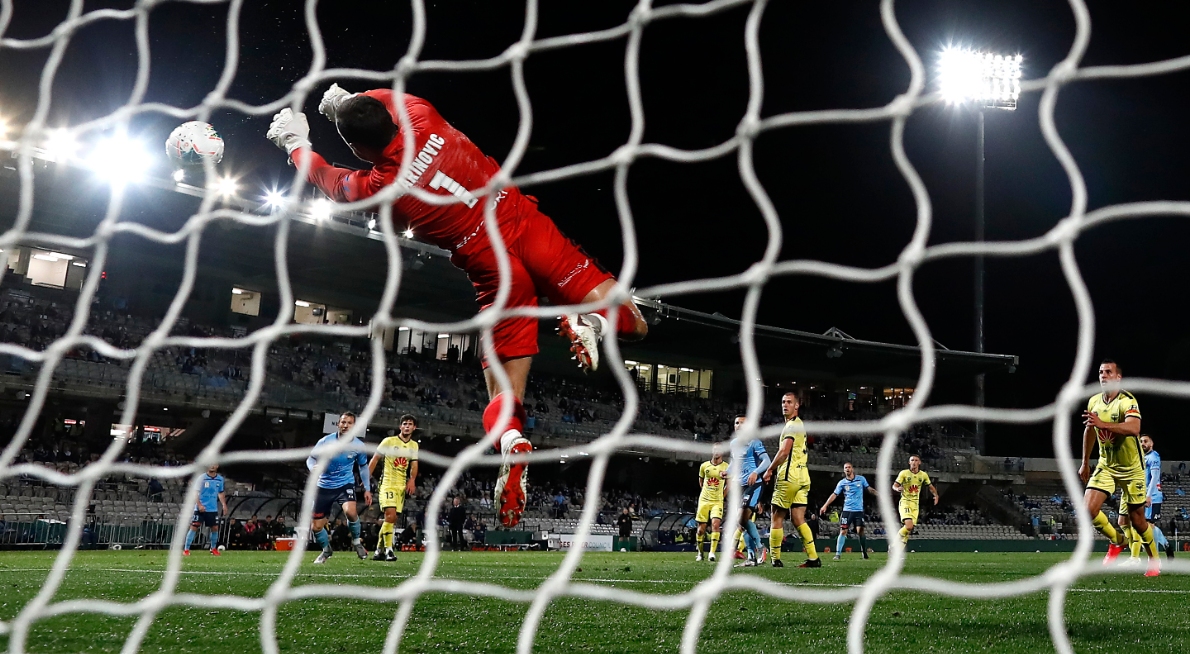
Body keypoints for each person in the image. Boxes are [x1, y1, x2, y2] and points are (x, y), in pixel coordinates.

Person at [266, 87, 649, 529]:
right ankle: (593, 321)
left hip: (495, 267)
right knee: (635, 325)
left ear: (356, 148)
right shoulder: (421, 113)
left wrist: (296, 144)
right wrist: (346, 101)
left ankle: (510, 440)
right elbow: (383, 97)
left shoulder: (383, 188)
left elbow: (327, 179)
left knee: (502, 387)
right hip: (525, 224)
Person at [1079, 359, 1160, 576]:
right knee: (1087, 510)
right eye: (1100, 372)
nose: (1103, 376)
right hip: (1106, 465)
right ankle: (1117, 541)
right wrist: (1085, 461)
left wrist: (1103, 424)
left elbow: (1135, 427)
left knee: (1138, 520)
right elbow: (1090, 432)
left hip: (1132, 468)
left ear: (1118, 377)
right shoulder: (1094, 401)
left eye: (1108, 372)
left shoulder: (1127, 400)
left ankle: (1154, 560)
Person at [306, 412, 373, 564]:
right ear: (338, 424)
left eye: (349, 423)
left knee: (350, 511)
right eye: (343, 422)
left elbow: (363, 467)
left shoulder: (359, 446)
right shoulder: (325, 441)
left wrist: (367, 488)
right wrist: (313, 468)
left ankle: (356, 542)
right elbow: (311, 459)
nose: (345, 425)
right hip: (323, 486)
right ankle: (326, 550)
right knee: (316, 527)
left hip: (345, 484)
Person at [763, 393, 819, 568]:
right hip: (803, 477)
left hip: (789, 477)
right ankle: (813, 558)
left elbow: (784, 452)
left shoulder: (791, 426)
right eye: (783, 402)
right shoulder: (800, 425)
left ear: (797, 406)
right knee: (798, 518)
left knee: (776, 516)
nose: (785, 405)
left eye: (789, 402)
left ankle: (775, 559)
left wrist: (770, 469)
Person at [367, 414, 419, 562]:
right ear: (400, 427)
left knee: (392, 519)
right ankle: (389, 550)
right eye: (405, 424)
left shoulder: (414, 445)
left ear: (414, 428)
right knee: (390, 516)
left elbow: (414, 464)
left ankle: (378, 550)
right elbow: (375, 459)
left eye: (410, 424)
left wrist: (412, 480)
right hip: (387, 484)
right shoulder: (389, 441)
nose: (407, 426)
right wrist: (366, 479)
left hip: (401, 487)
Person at [729, 414, 770, 567]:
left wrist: (755, 472)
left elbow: (767, 461)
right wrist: (727, 472)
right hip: (740, 486)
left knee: (741, 518)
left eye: (742, 423)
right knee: (742, 523)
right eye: (736, 423)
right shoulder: (733, 444)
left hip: (754, 484)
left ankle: (760, 548)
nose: (739, 425)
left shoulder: (754, 442)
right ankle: (751, 557)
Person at [819, 462, 877, 561]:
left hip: (858, 510)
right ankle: (838, 554)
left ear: (852, 469)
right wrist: (825, 505)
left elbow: (869, 489)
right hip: (847, 510)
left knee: (860, 531)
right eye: (845, 468)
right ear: (844, 470)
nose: (847, 469)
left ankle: (864, 552)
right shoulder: (842, 483)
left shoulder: (861, 479)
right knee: (843, 531)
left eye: (849, 467)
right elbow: (834, 494)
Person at [1140, 435, 1174, 559]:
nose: (1143, 443)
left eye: (1145, 441)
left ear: (1151, 443)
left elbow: (1155, 477)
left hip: (1153, 496)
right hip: (1143, 495)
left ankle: (1154, 556)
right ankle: (1165, 544)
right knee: (1145, 524)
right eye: (1141, 441)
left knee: (1150, 525)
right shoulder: (1143, 457)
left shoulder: (1154, 457)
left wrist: (1148, 496)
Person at [892, 455, 938, 547]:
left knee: (909, 529)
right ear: (909, 463)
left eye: (916, 460)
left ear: (919, 462)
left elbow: (930, 486)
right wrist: (897, 489)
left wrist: (936, 495)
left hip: (915, 505)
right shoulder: (904, 473)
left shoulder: (923, 475)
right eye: (912, 460)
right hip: (905, 502)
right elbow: (894, 485)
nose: (914, 462)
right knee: (908, 526)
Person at [694, 443, 729, 562]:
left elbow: (729, 485)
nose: (716, 452)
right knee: (701, 530)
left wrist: (721, 497)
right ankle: (700, 552)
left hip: (717, 502)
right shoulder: (704, 466)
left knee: (715, 525)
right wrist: (706, 493)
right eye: (714, 450)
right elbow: (701, 481)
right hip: (704, 500)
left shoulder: (726, 467)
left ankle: (712, 553)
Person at [184, 464, 228, 556]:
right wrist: (199, 505)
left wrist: (224, 505)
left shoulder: (220, 479)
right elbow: (195, 492)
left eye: (214, 464)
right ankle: (186, 550)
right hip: (200, 508)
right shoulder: (201, 478)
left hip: (212, 509)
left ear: (217, 466)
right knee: (194, 527)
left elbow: (220, 492)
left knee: (215, 528)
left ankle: (213, 549)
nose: (212, 466)